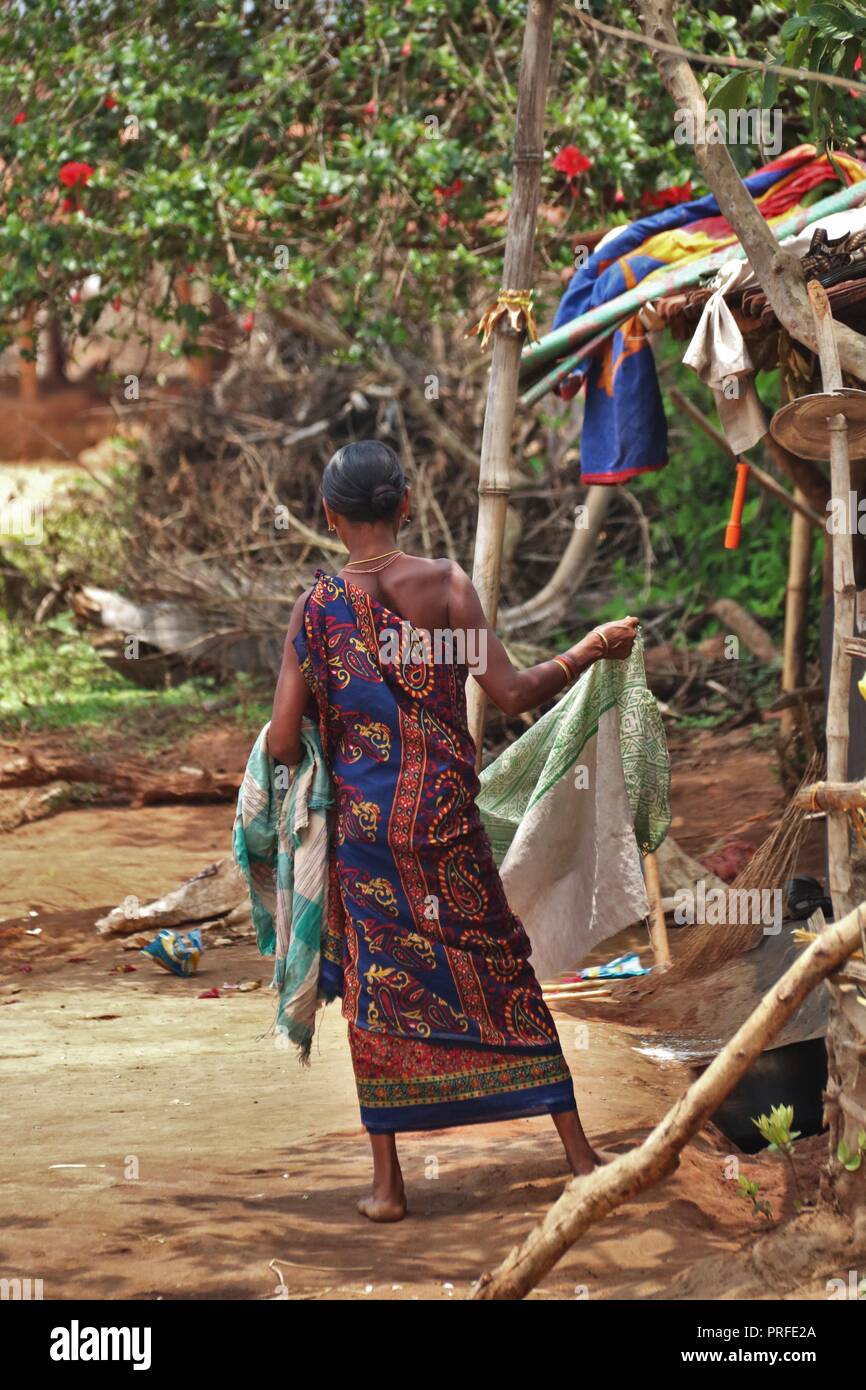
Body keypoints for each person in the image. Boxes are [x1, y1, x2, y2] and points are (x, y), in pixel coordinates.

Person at [269, 439, 638, 1222]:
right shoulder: (445, 587)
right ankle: (579, 1154)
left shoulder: (318, 608)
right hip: (443, 820)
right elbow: (509, 691)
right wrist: (589, 649)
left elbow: (279, 738)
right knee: (496, 962)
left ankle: (388, 1188)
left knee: (376, 994)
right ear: (405, 503)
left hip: (367, 837)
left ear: (331, 518)